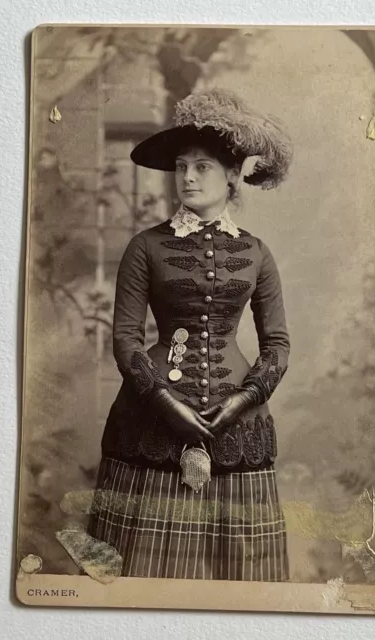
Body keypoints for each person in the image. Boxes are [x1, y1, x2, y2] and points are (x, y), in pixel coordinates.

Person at [87, 88, 293, 581]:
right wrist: (165, 403)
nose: (188, 177)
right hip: (152, 418)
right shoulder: (146, 246)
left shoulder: (257, 253)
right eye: (182, 166)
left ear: (231, 174)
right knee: (137, 569)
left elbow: (278, 346)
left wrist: (241, 401)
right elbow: (126, 340)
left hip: (236, 426)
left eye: (202, 166)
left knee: (242, 573)